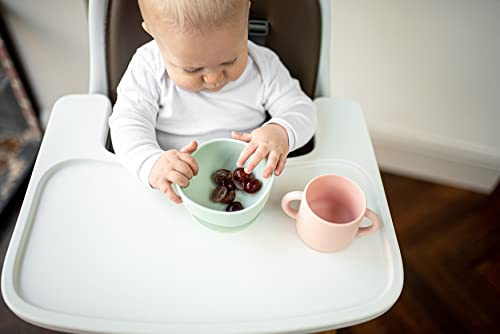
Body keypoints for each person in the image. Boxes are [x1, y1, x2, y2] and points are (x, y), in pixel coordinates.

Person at [109, 0, 317, 204]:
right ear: (153, 33)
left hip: (245, 191)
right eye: (192, 69)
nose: (214, 79)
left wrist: (280, 131)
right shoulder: (148, 68)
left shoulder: (263, 67)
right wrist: (150, 162)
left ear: (245, 22)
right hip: (171, 194)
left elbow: (302, 110)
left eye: (230, 60)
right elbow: (126, 123)